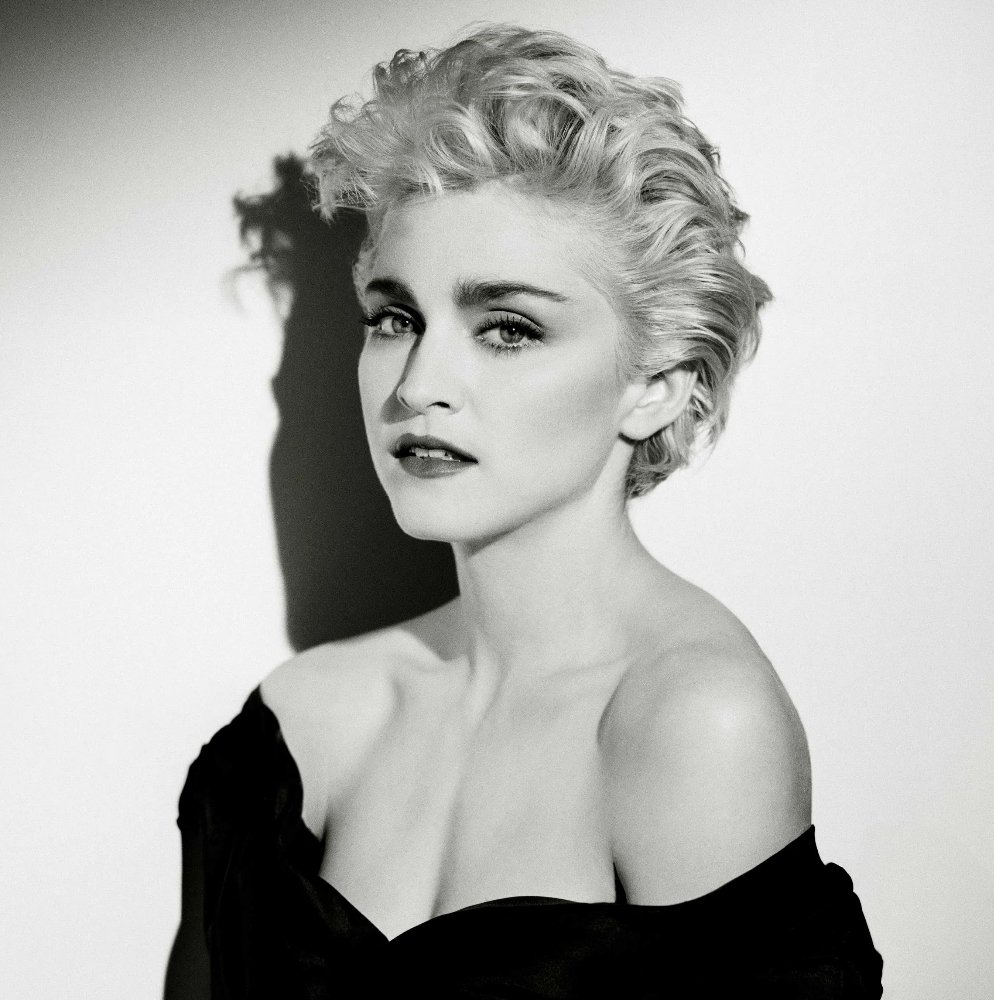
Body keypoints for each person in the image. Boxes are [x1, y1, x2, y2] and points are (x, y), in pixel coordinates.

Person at [167, 22, 883, 998]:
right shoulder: (295, 730)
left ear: (656, 385)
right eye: (395, 318)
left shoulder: (693, 724)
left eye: (507, 328)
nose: (418, 384)